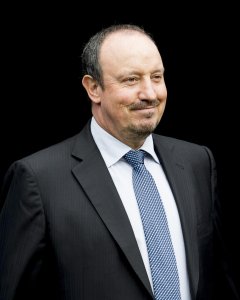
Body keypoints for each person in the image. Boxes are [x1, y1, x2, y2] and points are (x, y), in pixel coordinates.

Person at [0, 24, 238, 300]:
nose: (150, 93)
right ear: (93, 88)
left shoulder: (197, 162)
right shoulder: (38, 180)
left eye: (157, 77)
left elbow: (221, 280)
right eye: (131, 80)